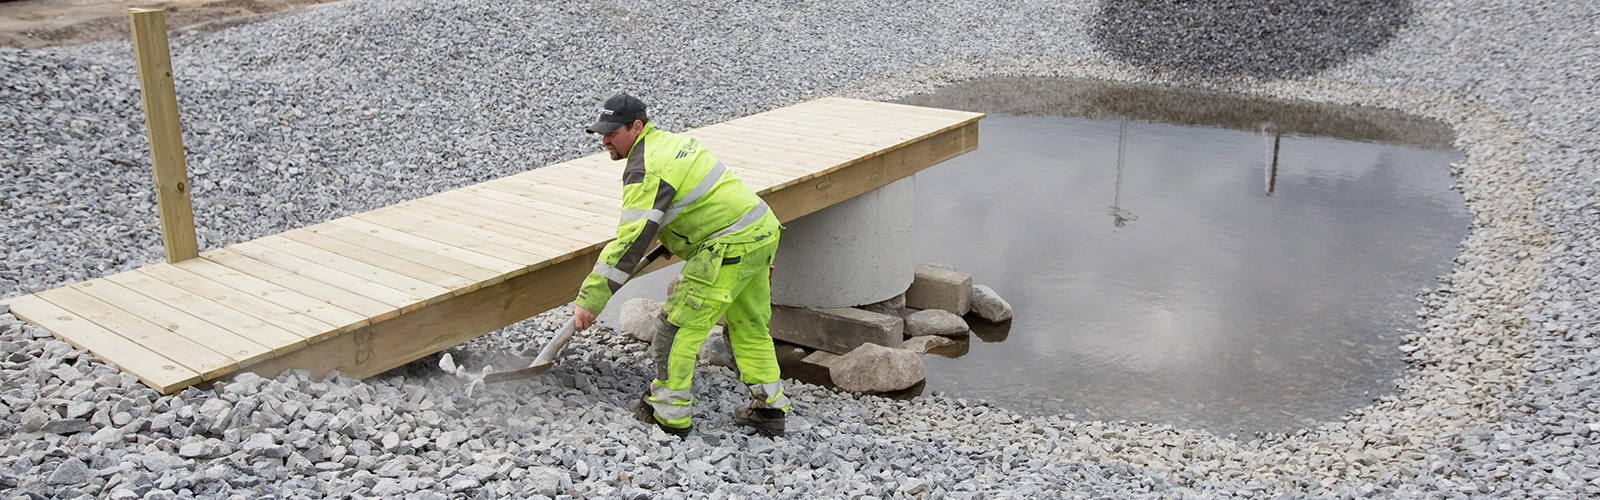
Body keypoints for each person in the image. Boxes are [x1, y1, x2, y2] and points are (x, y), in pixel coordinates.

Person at [572, 93, 791, 437]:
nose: (605, 140)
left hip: (728, 245)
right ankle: (769, 410)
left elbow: (631, 240)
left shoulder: (647, 166)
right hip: (761, 230)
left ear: (637, 127)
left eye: (613, 132)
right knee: (749, 325)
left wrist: (591, 300)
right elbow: (686, 203)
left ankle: (668, 414)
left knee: (676, 328)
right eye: (602, 132)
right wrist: (675, 236)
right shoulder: (670, 144)